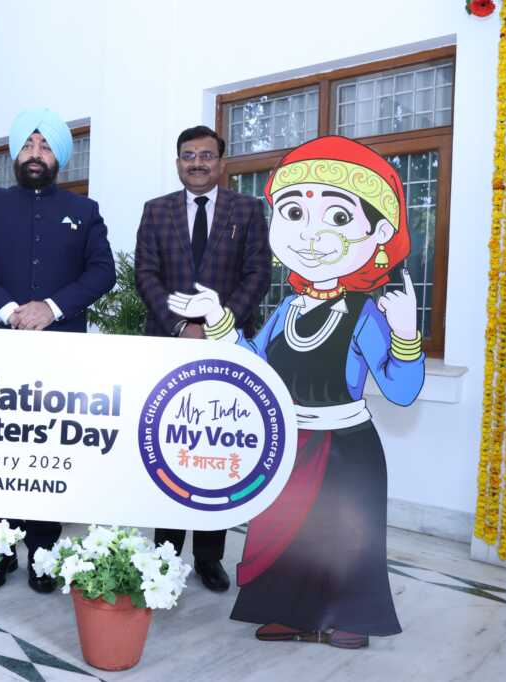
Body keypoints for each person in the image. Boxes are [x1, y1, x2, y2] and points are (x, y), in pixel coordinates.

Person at [167, 135, 425, 648]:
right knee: (287, 533)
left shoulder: (366, 312)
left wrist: (405, 333)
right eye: (293, 214)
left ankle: (348, 619)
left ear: (378, 234)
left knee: (344, 535)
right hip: (289, 442)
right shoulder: (287, 310)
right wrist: (218, 318)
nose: (310, 235)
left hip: (346, 449)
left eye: (337, 217)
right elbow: (256, 364)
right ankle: (290, 613)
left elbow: (400, 391)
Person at [0, 107, 115, 592]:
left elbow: (102, 271)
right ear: (15, 153)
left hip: (59, 355)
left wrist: (51, 308)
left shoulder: (85, 211)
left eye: (45, 146)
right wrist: (9, 310)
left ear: (59, 157)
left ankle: (44, 553)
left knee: (48, 450)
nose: (35, 153)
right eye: (28, 144)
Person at [134, 125, 270, 591]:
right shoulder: (156, 211)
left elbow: (258, 274)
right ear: (178, 162)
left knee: (217, 449)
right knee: (169, 446)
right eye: (188, 155)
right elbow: (146, 274)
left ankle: (210, 557)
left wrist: (217, 325)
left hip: (226, 347)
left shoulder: (247, 210)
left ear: (221, 163)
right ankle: (166, 553)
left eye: (206, 155)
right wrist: (182, 327)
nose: (197, 163)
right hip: (168, 346)